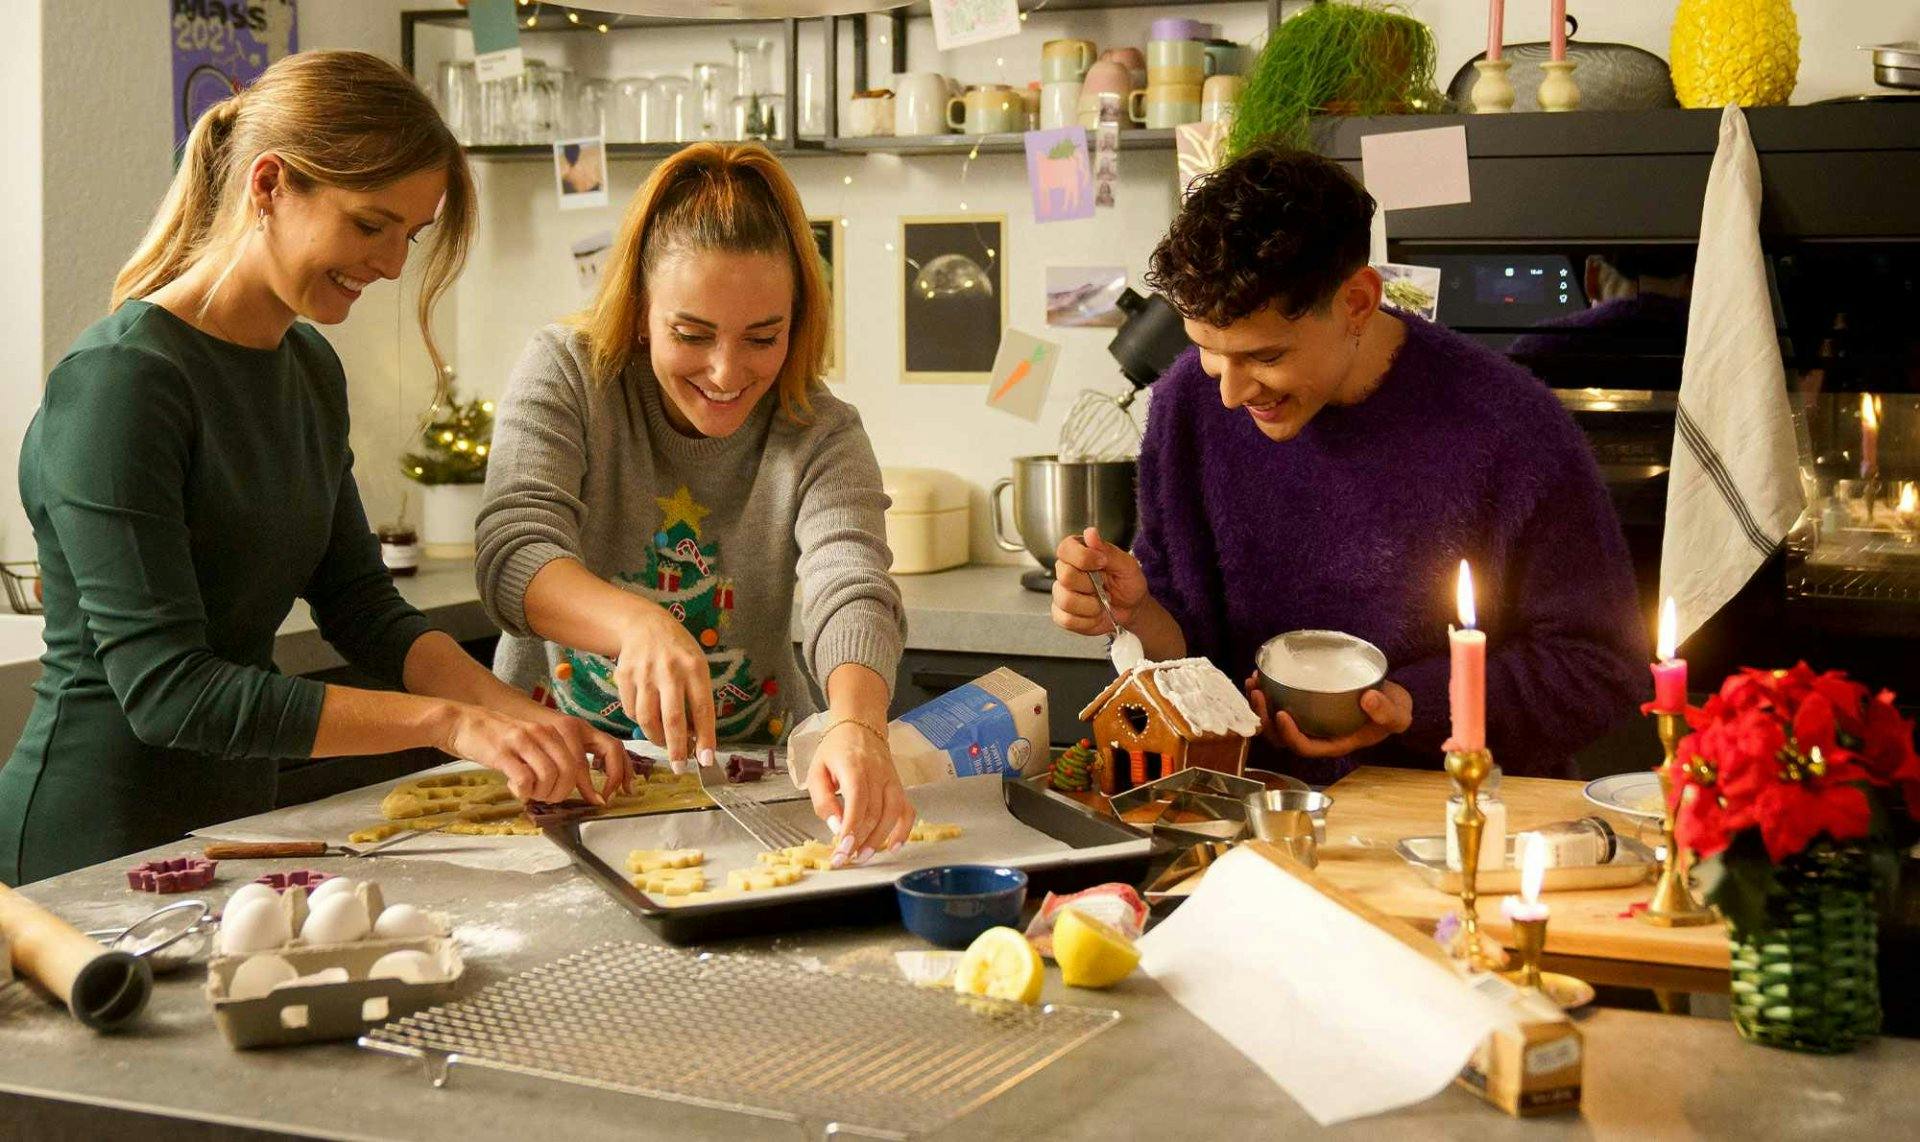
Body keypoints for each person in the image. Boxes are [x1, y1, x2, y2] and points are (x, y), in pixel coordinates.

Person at [0, 52, 629, 886]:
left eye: (411, 234)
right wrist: (450, 725)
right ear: (268, 186)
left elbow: (362, 609)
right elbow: (168, 693)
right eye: (372, 225)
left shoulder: (306, 367)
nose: (396, 265)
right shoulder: (122, 383)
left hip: (230, 833)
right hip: (86, 849)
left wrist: (522, 717)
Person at [1050, 146, 1648, 783]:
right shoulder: (1186, 405)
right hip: (1251, 814)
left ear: (1358, 302)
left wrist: (1413, 705)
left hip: (1456, 818)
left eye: (1266, 355)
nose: (1230, 392)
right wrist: (1136, 613)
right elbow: (1188, 641)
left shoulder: (1510, 426)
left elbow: (1598, 666)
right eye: (1207, 351)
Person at [476, 143, 913, 866]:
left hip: (753, 795)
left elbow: (853, 585)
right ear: (640, 312)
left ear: (797, 323)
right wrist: (636, 624)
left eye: (762, 338)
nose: (726, 371)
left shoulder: (822, 432)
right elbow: (514, 553)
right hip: (551, 780)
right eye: (692, 334)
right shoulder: (568, 375)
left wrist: (858, 727)